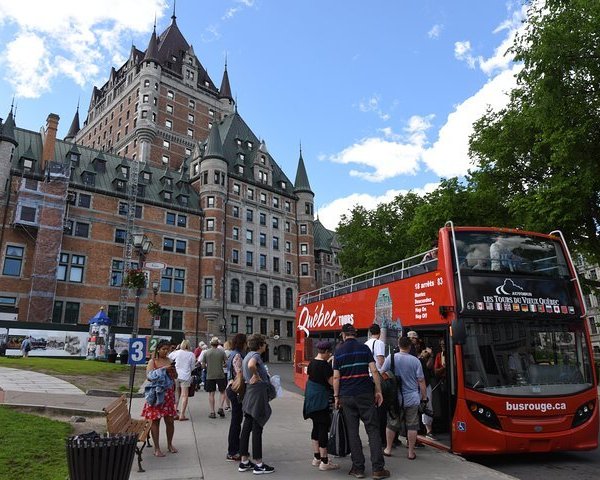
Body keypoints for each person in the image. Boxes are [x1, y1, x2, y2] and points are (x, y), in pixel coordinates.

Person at [333, 323, 389, 480]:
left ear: (343, 335)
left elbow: (336, 377)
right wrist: (378, 391)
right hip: (365, 394)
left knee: (353, 432)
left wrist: (336, 397)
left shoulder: (338, 352)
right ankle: (378, 469)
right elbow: (374, 370)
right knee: (372, 429)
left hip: (346, 395)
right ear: (355, 334)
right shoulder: (364, 349)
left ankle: (358, 468)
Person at [382, 336, 427, 460]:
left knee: (392, 424)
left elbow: (382, 374)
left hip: (395, 398)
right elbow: (421, 381)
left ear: (399, 344)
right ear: (410, 346)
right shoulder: (415, 361)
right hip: (412, 398)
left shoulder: (391, 358)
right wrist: (424, 397)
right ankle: (411, 452)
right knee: (412, 425)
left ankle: (388, 449)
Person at [238, 333, 275, 474]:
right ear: (260, 345)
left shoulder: (247, 355)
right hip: (257, 395)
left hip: (249, 393)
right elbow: (252, 365)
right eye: (264, 343)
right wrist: (257, 375)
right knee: (257, 427)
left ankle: (244, 461)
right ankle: (259, 464)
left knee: (246, 427)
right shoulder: (255, 356)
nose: (266, 345)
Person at [303, 340, 339, 471]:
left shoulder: (312, 363)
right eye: (329, 352)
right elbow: (331, 382)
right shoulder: (325, 366)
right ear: (325, 352)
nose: (330, 355)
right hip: (321, 401)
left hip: (311, 401)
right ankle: (325, 461)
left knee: (316, 427)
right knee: (323, 427)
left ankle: (316, 458)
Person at [142, 339, 178, 457]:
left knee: (170, 421)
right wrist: (163, 370)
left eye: (168, 349)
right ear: (158, 349)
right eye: (164, 349)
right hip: (156, 395)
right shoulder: (153, 361)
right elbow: (149, 377)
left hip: (168, 394)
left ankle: (170, 444)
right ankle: (156, 448)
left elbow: (175, 377)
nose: (166, 351)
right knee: (155, 421)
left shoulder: (169, 360)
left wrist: (173, 371)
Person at [225, 333, 247, 462]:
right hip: (236, 389)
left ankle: (236, 448)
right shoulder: (238, 355)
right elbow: (239, 374)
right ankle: (232, 451)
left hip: (231, 387)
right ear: (242, 343)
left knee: (236, 420)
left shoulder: (232, 353)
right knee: (236, 421)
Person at [365, 323, 387, 445]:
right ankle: (380, 438)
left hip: (366, 378)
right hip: (376, 377)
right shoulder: (379, 343)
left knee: (371, 409)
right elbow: (380, 360)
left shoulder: (365, 344)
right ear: (379, 333)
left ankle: (371, 437)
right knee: (380, 408)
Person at [168, 339, 196, 421]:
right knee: (185, 395)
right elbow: (193, 366)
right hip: (185, 376)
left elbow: (169, 359)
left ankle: (174, 413)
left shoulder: (176, 352)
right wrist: (189, 370)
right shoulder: (191, 354)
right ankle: (182, 415)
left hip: (176, 375)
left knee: (176, 394)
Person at [203, 336, 227, 419]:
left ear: (211, 344)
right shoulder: (222, 352)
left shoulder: (206, 352)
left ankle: (212, 412)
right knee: (222, 391)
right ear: (218, 344)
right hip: (220, 374)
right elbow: (225, 363)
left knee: (211, 393)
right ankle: (220, 407)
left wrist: (207, 367)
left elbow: (203, 365)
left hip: (210, 375)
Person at [419, 347, 435, 439]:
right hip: (413, 386)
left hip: (425, 384)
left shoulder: (426, 358)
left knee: (428, 406)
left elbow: (428, 366)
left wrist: (430, 356)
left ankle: (429, 430)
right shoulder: (411, 356)